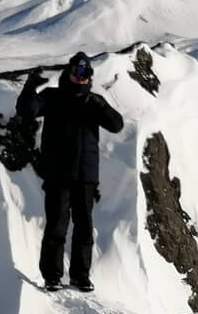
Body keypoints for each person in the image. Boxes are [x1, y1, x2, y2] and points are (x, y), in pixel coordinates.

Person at [16, 51, 124, 292]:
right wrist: (30, 87)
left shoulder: (93, 102)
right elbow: (27, 110)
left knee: (84, 227)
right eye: (76, 72)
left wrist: (100, 105)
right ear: (69, 73)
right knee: (56, 226)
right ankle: (52, 276)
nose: (80, 78)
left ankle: (80, 276)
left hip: (86, 175)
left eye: (85, 74)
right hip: (58, 174)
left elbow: (117, 125)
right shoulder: (53, 97)